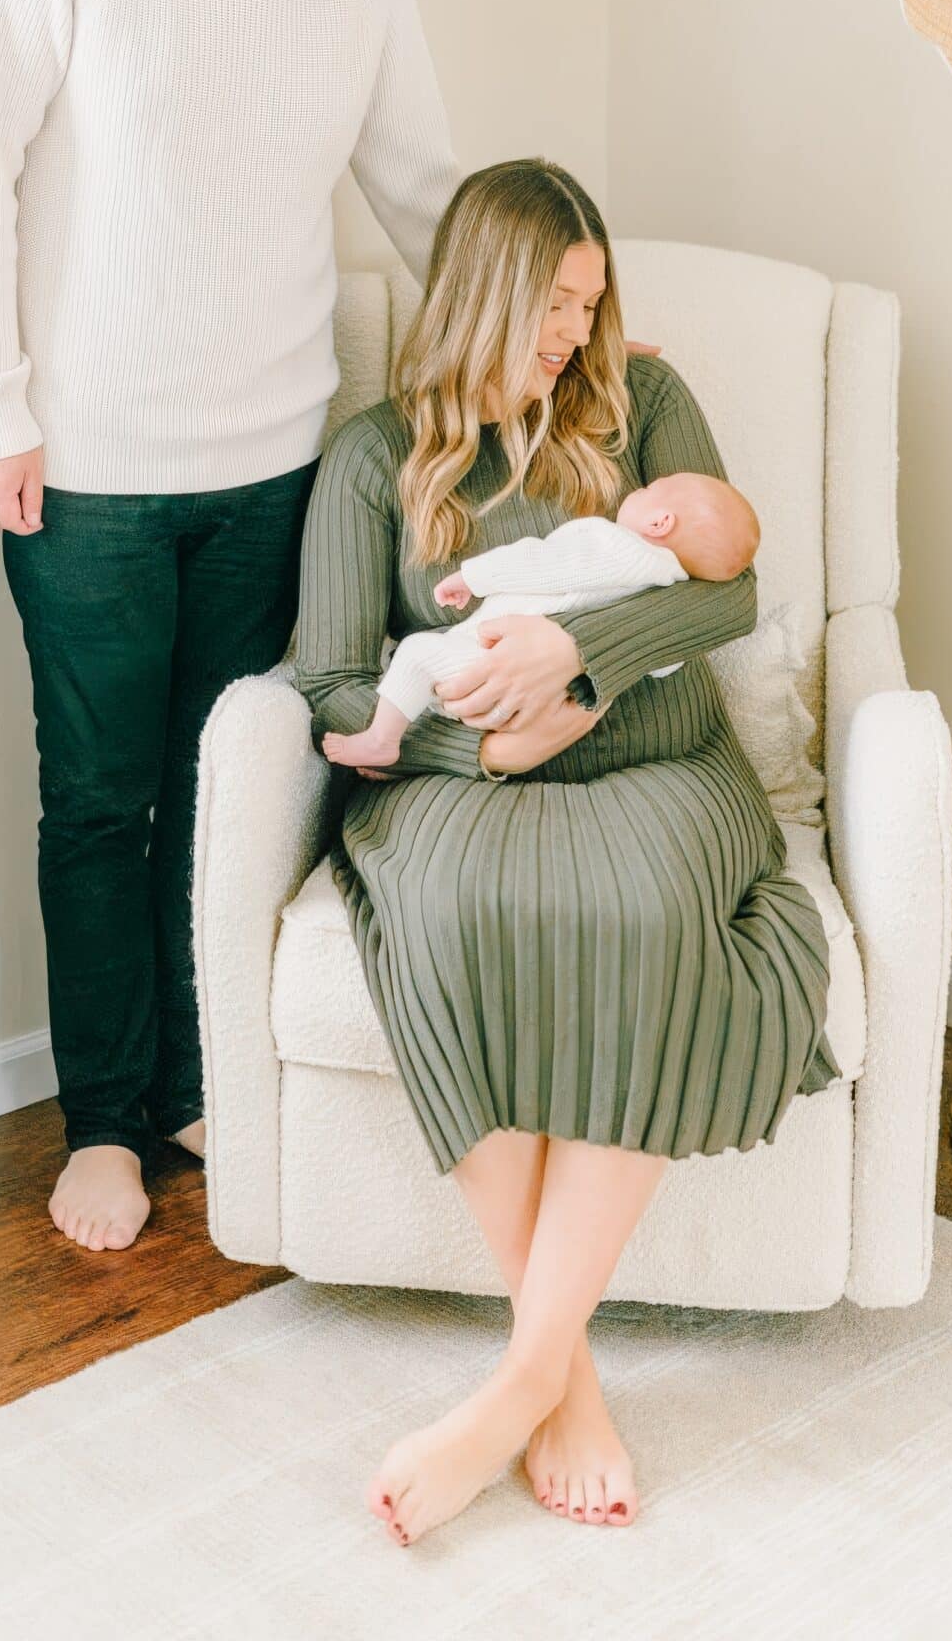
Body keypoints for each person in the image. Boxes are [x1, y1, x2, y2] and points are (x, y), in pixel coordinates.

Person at [0, 0, 461, 1255]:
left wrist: (546, 328)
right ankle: (98, 1119)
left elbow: (423, 184)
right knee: (97, 800)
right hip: (82, 465)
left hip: (272, 460)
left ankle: (186, 1082)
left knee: (224, 793)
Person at [294, 158, 838, 1545]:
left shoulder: (638, 402)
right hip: (453, 782)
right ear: (478, 291)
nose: (569, 332)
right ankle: (567, 1380)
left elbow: (731, 588)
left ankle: (521, 1377)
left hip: (657, 758)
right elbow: (330, 686)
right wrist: (469, 741)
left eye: (588, 304)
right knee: (458, 920)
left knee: (644, 917)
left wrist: (575, 655)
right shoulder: (373, 457)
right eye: (549, 302)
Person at [320, 471, 759, 771]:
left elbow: (545, 563)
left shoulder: (614, 545)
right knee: (432, 684)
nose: (641, 487)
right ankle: (400, 757)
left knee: (417, 654)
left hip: (487, 664)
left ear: (661, 521)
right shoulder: (668, 587)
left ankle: (383, 741)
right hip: (548, 708)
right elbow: (663, 659)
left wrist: (474, 576)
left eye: (652, 488)